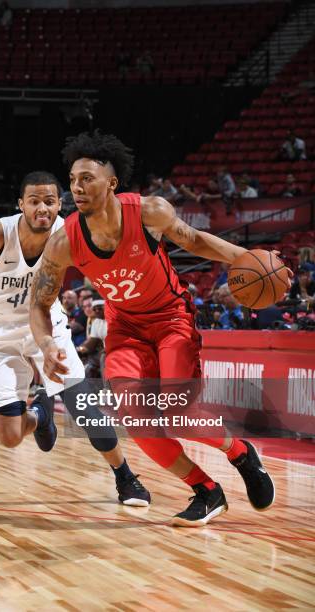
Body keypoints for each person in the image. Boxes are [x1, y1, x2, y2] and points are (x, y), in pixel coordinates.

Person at [30, 131, 292, 527]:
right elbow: (39, 302)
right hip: (125, 330)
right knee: (136, 419)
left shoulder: (148, 211)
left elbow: (195, 240)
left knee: (178, 411)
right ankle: (206, 490)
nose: (77, 187)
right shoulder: (64, 240)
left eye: (87, 178)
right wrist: (47, 342)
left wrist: (249, 258)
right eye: (73, 179)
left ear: (112, 183)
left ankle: (241, 454)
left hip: (171, 319)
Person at [0, 171, 150, 507]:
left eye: (49, 201)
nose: (42, 208)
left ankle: (125, 477)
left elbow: (120, 241)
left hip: (48, 328)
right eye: (34, 201)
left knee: (84, 408)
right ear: (20, 204)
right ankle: (40, 415)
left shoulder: (69, 232)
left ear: (58, 205)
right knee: (8, 437)